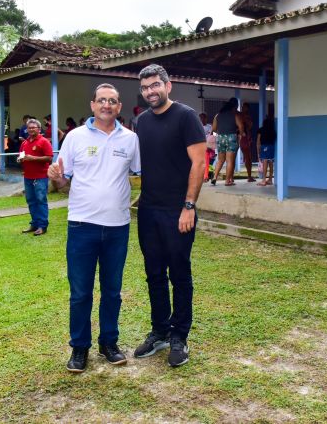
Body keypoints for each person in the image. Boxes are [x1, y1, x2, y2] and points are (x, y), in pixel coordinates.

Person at [48, 83, 141, 373]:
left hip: (117, 227)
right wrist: (56, 177)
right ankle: (79, 348)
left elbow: (138, 175)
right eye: (102, 100)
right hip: (81, 225)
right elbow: (62, 181)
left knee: (112, 291)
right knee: (80, 292)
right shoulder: (74, 137)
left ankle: (109, 343)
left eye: (112, 101)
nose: (107, 105)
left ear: (119, 106)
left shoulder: (130, 139)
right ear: (92, 105)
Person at [134, 64, 206, 367]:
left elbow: (199, 164)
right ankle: (160, 331)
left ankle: (180, 336)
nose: (151, 91)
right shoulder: (141, 122)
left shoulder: (186, 117)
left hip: (178, 211)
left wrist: (188, 206)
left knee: (179, 274)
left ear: (168, 85)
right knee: (154, 274)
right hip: (149, 210)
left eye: (155, 85)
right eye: (146, 87)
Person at [18, 119, 53, 236]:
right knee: (31, 201)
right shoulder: (25, 143)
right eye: (29, 128)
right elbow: (21, 155)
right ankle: (34, 224)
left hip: (40, 177)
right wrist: (20, 159)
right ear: (26, 129)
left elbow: (49, 158)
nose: (31, 129)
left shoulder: (44, 142)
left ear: (39, 129)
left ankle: (43, 226)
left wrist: (33, 158)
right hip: (28, 176)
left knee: (41, 200)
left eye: (34, 127)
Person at [210, 98, 243, 186]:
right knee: (229, 161)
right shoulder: (235, 115)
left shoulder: (217, 116)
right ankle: (227, 181)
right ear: (232, 107)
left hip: (220, 138)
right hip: (231, 137)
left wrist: (216, 136)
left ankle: (214, 177)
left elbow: (213, 130)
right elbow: (241, 127)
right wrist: (240, 134)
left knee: (220, 160)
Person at [256, 114, 276, 186]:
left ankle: (263, 180)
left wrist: (258, 152)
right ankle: (270, 179)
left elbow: (258, 142)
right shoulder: (273, 131)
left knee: (265, 162)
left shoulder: (261, 130)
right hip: (272, 147)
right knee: (270, 162)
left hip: (264, 147)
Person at [238, 105, 255, 182]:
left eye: (245, 107)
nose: (244, 109)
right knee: (248, 158)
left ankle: (249, 176)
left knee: (248, 158)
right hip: (244, 138)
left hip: (245, 138)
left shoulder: (244, 116)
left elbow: (250, 126)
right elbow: (250, 126)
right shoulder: (241, 116)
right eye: (243, 107)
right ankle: (249, 176)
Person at [200, 112, 216, 177]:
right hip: (202, 147)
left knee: (211, 161)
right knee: (204, 162)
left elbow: (214, 135)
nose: (202, 120)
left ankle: (210, 174)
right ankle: (204, 175)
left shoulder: (210, 126)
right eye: (201, 118)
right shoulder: (198, 127)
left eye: (204, 118)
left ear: (206, 119)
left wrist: (213, 135)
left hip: (210, 147)